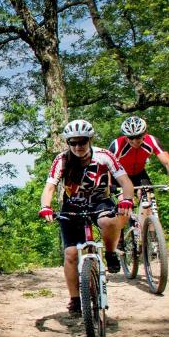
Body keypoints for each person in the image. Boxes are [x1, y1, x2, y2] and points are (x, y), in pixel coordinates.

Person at [38, 119, 136, 316]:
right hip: (72, 205)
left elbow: (125, 182)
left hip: (100, 200)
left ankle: (109, 253)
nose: (78, 147)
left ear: (89, 140)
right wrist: (45, 207)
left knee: (108, 221)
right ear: (68, 143)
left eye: (82, 141)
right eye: (72, 143)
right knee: (71, 253)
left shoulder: (104, 156)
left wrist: (127, 200)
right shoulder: (62, 160)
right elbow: (49, 187)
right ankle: (75, 299)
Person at [108, 116, 169, 195]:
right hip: (120, 175)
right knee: (125, 201)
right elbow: (106, 166)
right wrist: (108, 184)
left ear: (144, 133)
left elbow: (168, 162)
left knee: (147, 198)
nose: (134, 141)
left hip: (139, 174)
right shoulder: (117, 145)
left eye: (138, 137)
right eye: (130, 137)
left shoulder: (152, 141)